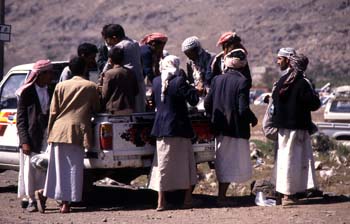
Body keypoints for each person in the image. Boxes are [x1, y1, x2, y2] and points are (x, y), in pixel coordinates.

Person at [36, 56, 100, 213]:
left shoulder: (60, 86)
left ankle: (44, 195)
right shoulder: (91, 86)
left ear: (70, 70)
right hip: (77, 131)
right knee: (73, 167)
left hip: (58, 130)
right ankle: (65, 202)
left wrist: (50, 132)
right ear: (85, 69)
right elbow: (97, 108)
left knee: (56, 168)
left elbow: (53, 111)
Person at [204, 49, 257, 204]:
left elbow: (207, 103)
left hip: (219, 128)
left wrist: (214, 117)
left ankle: (221, 196)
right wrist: (253, 119)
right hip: (235, 129)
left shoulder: (216, 80)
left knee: (222, 161)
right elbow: (243, 109)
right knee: (230, 163)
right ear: (242, 65)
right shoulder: (243, 81)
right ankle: (221, 197)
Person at [148, 55, 199, 211]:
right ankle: (187, 199)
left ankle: (161, 202)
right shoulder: (179, 81)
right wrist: (192, 83)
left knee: (162, 166)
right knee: (187, 164)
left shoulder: (156, 82)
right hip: (179, 128)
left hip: (162, 129)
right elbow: (194, 100)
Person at [271, 54, 320, 206]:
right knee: (293, 160)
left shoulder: (281, 81)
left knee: (285, 159)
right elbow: (314, 104)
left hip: (283, 129)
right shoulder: (303, 83)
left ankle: (286, 192)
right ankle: (288, 195)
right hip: (297, 128)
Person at [16, 60, 54, 212]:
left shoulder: (51, 90)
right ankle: (31, 200)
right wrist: (24, 141)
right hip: (32, 137)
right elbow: (21, 120)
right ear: (40, 74)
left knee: (45, 168)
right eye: (49, 73)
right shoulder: (26, 92)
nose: (51, 76)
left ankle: (42, 198)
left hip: (47, 135)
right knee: (30, 170)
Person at [99, 24, 145, 113]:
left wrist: (102, 75)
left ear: (114, 38)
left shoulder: (119, 46)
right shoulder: (135, 43)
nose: (107, 42)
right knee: (139, 110)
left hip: (125, 82)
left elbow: (110, 62)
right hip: (138, 80)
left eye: (107, 39)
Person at [100, 46, 139, 115]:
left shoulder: (109, 74)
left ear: (110, 59)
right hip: (129, 109)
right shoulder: (131, 72)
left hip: (114, 110)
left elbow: (105, 95)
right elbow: (136, 91)